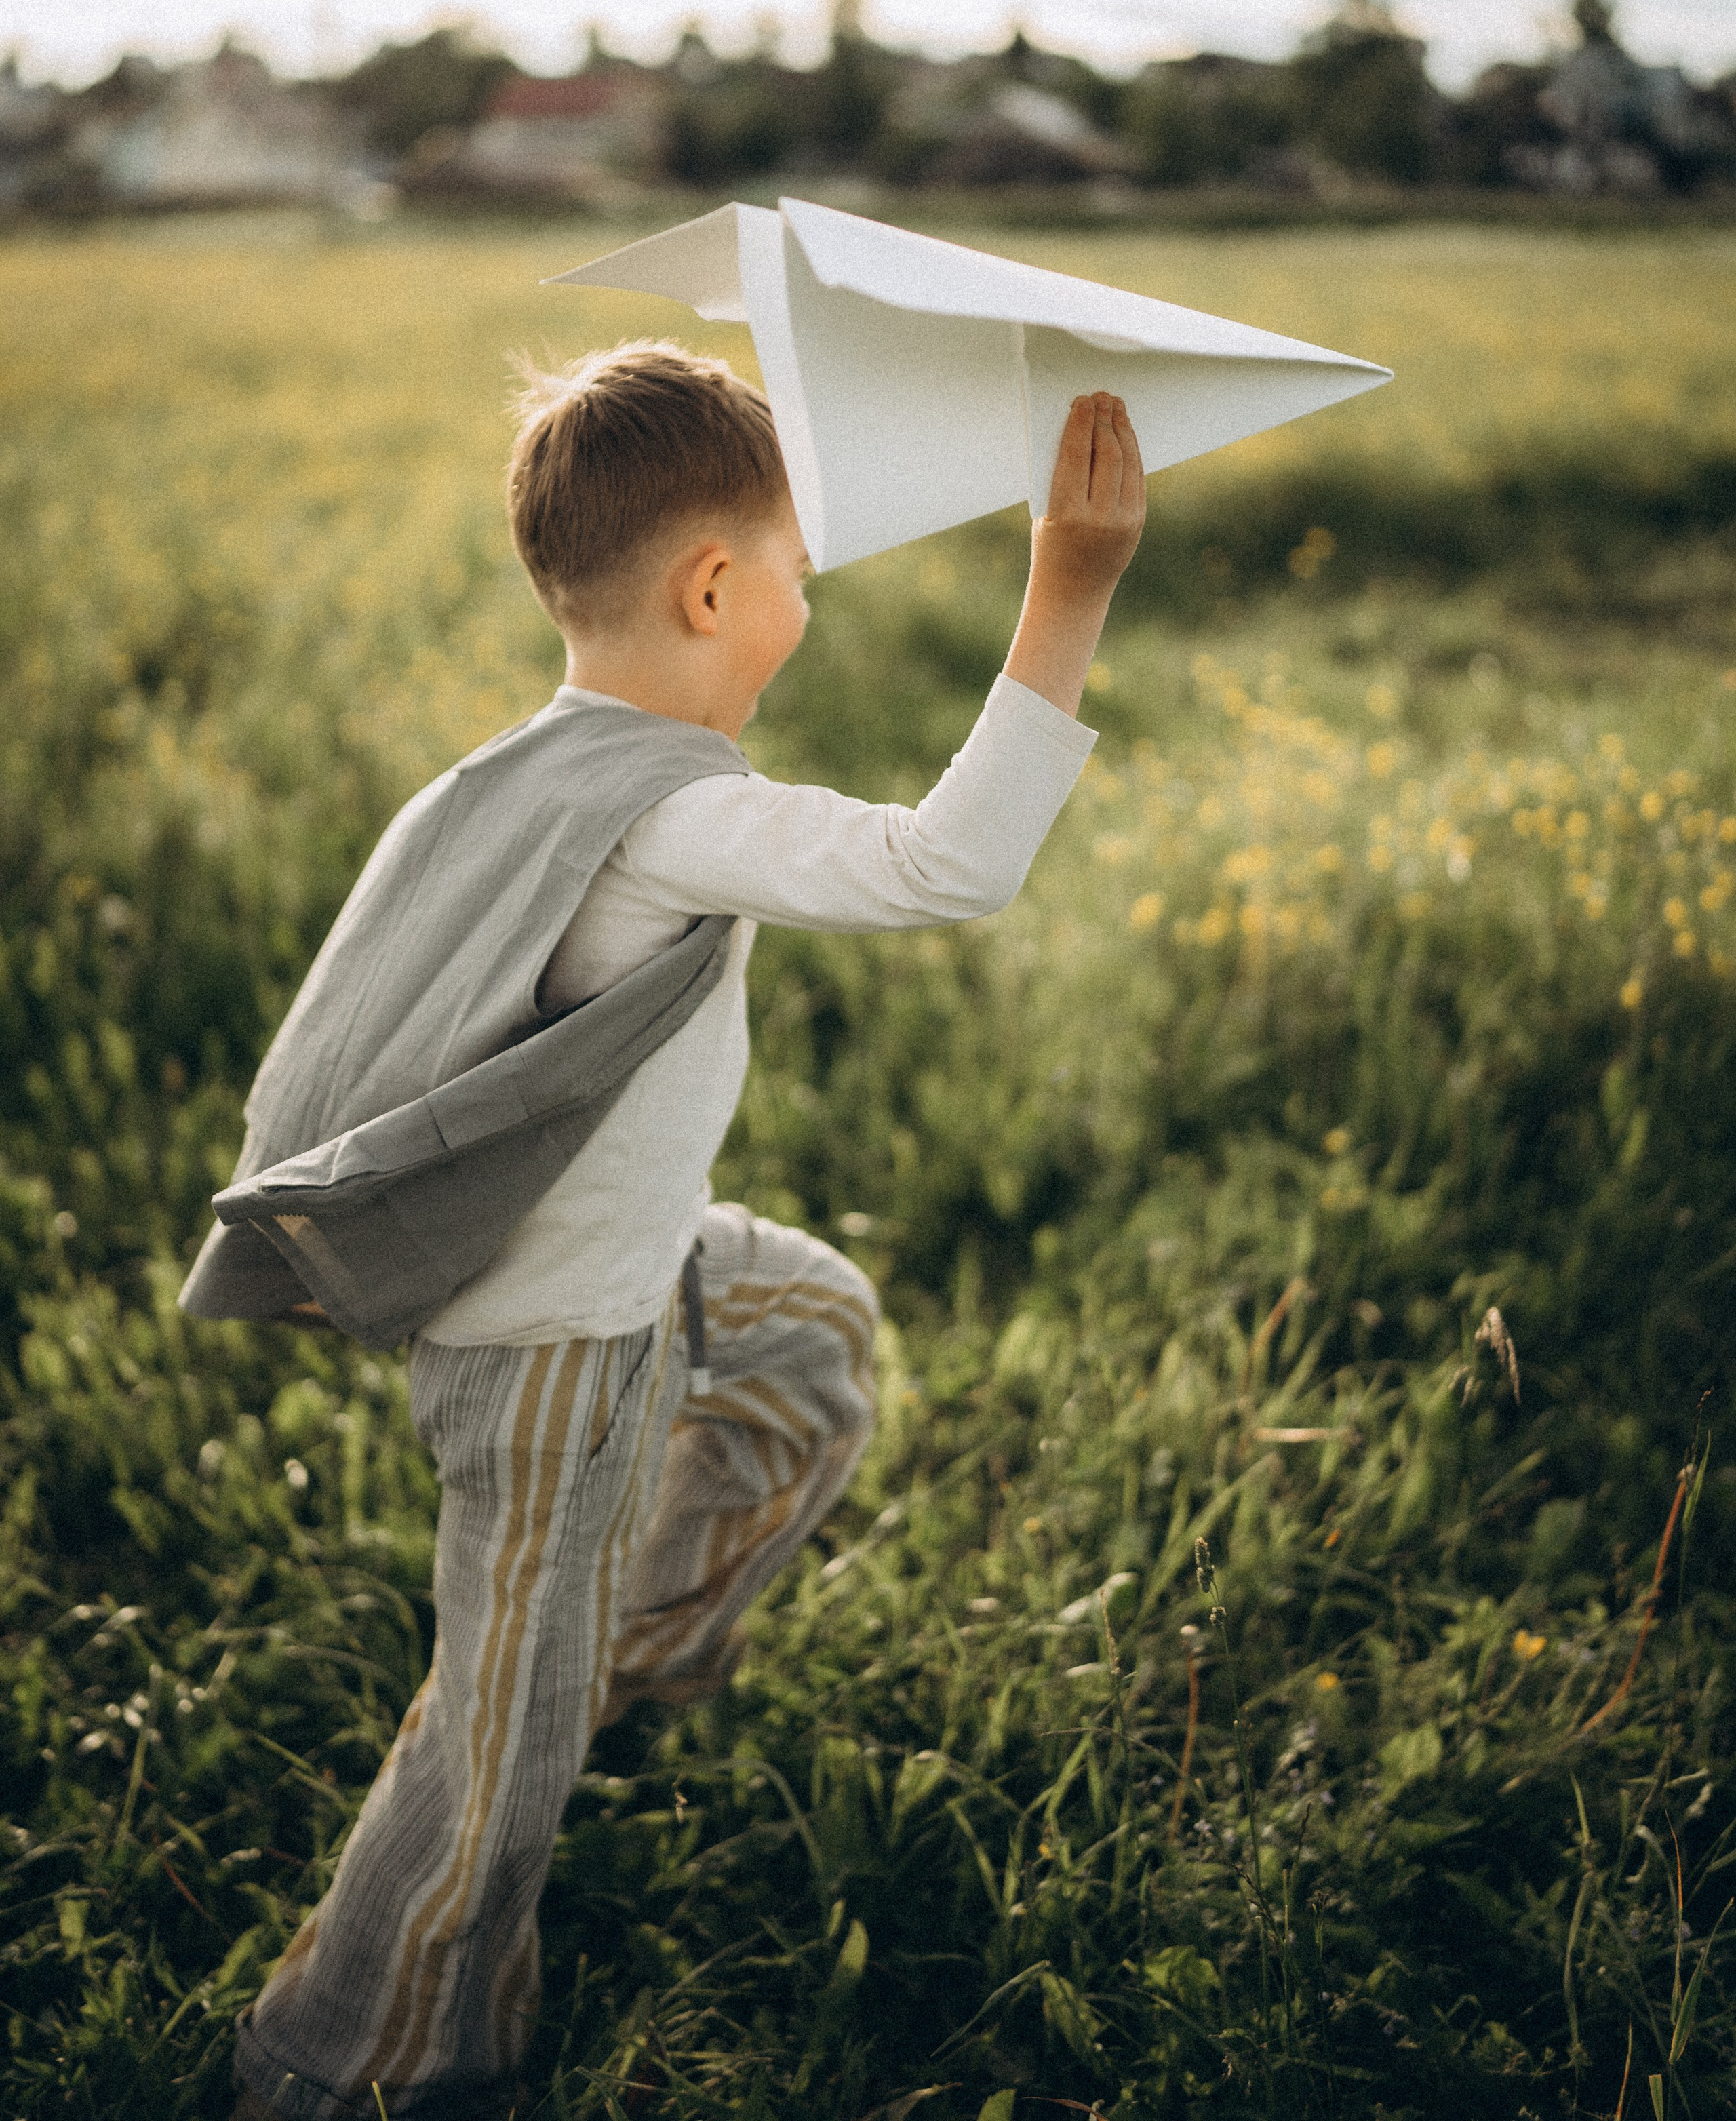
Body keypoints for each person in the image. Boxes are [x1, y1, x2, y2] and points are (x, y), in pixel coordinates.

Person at [201, 338, 1147, 2120]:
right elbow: (948, 866)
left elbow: (351, 1018)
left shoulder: (509, 773)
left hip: (631, 1259)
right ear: (715, 586)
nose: (803, 603)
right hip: (558, 1336)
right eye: (796, 570)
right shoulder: (667, 805)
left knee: (811, 1337)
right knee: (495, 1728)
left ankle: (632, 1650)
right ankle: (357, 2060)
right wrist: (1069, 587)